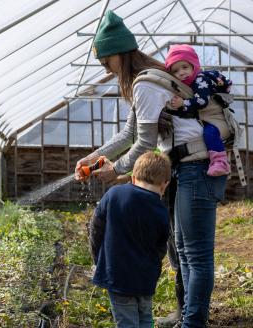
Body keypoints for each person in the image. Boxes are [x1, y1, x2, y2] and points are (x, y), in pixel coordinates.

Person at [74, 10, 227, 328]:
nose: (106, 68)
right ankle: (186, 315)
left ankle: (192, 321)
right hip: (183, 167)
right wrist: (93, 158)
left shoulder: (146, 84)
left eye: (107, 61)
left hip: (196, 166)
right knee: (182, 249)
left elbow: (143, 144)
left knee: (194, 253)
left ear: (118, 54)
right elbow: (128, 134)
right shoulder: (147, 80)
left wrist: (116, 169)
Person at [89, 151, 171, 328]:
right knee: (145, 317)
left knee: (127, 321)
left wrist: (98, 260)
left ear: (133, 178)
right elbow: (161, 247)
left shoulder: (114, 195)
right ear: (164, 185)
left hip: (117, 275)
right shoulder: (162, 211)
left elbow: (96, 228)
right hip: (146, 279)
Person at [165, 44, 232, 177]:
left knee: (209, 133)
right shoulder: (187, 85)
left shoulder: (200, 79)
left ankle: (220, 162)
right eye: (176, 71)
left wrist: (183, 103)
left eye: (185, 67)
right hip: (206, 118)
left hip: (215, 119)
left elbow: (202, 101)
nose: (181, 72)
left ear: (194, 65)